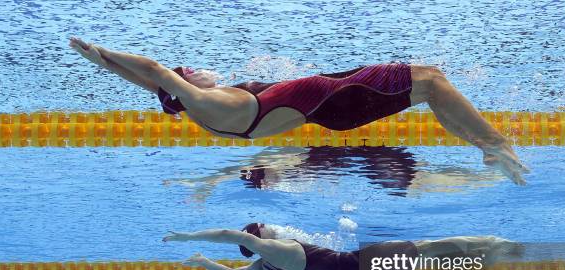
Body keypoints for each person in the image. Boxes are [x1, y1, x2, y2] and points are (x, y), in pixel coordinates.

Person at [69, 37, 529, 185]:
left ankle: (486, 146)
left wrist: (101, 63)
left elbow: (150, 80)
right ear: (187, 85)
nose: (201, 70)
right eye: (191, 71)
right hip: (338, 99)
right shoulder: (205, 100)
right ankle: (493, 145)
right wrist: (105, 50)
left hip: (333, 102)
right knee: (430, 80)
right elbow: (154, 69)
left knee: (430, 84)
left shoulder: (201, 109)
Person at [162, 223, 522, 270]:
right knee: (425, 246)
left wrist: (203, 263)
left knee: (422, 261)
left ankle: (479, 259)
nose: (272, 226)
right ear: (259, 240)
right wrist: (186, 235)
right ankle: (492, 242)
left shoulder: (266, 268)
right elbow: (230, 236)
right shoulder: (275, 251)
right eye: (264, 228)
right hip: (356, 266)